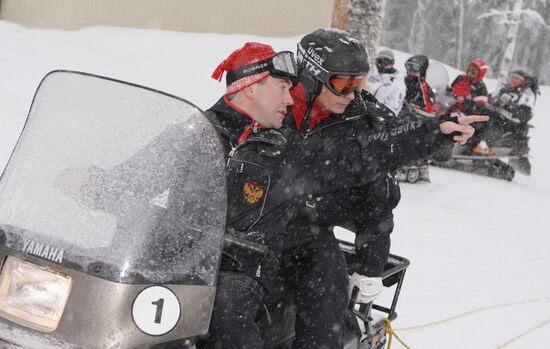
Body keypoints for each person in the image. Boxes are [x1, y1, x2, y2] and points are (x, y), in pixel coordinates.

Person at [278, 29, 488, 349]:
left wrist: (370, 266)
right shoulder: (272, 97)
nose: (351, 94)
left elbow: (380, 195)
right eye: (342, 83)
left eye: (359, 84)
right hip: (254, 219)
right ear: (310, 75)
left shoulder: (363, 120)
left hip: (310, 227)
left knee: (326, 291)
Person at [204, 42, 301, 349]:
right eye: (282, 88)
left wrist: (432, 133)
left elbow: (350, 165)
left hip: (248, 267)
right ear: (250, 87)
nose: (289, 100)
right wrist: (102, 183)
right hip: (192, 257)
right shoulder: (200, 129)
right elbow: (151, 169)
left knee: (226, 305)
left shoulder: (284, 148)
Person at [366, 49, 407, 115]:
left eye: (384, 62)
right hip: (365, 114)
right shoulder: (373, 77)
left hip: (379, 119)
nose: (380, 65)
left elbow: (392, 109)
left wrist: (372, 108)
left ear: (391, 63)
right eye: (378, 61)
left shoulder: (398, 83)